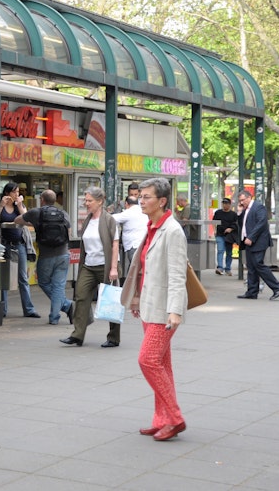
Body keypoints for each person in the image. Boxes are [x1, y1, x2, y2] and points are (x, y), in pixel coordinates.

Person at [120, 176, 188, 441]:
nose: (141, 201)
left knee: (147, 360)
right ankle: (162, 420)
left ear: (162, 201)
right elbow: (143, 270)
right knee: (162, 364)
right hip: (149, 305)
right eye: (140, 196)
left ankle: (175, 417)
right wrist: (136, 299)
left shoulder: (172, 231)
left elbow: (176, 275)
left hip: (164, 310)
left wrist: (175, 311)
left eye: (146, 197)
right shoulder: (152, 227)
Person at [60, 186, 120, 348]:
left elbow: (115, 245)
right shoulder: (87, 220)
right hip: (89, 265)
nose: (86, 203)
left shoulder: (109, 220)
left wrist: (113, 268)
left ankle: (114, 337)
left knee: (110, 301)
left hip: (105, 266)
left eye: (89, 200)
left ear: (99, 202)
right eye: (85, 200)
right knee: (80, 296)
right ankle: (77, 335)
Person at [15, 189, 74, 326]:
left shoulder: (37, 212)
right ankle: (54, 317)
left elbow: (18, 220)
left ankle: (67, 306)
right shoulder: (64, 214)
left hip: (46, 255)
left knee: (43, 282)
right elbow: (69, 233)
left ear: (42, 200)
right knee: (59, 286)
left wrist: (23, 210)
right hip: (63, 254)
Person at [0, 182, 39, 318]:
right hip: (4, 244)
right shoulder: (1, 205)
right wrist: (0, 206)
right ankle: (2, 309)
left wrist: (20, 205)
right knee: (3, 277)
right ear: (7, 193)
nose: (17, 195)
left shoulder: (18, 206)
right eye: (14, 192)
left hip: (19, 244)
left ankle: (29, 309)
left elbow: (27, 219)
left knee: (23, 277)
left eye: (18, 192)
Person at [236, 189, 279, 300]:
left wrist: (251, 237)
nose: (241, 202)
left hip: (258, 241)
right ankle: (252, 291)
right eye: (240, 201)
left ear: (249, 197)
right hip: (248, 242)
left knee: (258, 265)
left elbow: (261, 223)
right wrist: (239, 213)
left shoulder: (258, 207)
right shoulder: (245, 209)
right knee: (251, 267)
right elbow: (241, 224)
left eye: (243, 200)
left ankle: (277, 287)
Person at [113, 195, 148, 276]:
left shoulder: (129, 212)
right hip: (143, 243)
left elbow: (111, 219)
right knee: (136, 268)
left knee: (134, 269)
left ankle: (132, 287)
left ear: (126, 204)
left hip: (133, 245)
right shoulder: (143, 211)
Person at [212, 197, 238, 276]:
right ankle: (220, 267)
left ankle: (228, 268)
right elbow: (214, 221)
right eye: (223, 203)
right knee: (220, 250)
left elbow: (236, 224)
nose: (225, 205)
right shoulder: (218, 213)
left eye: (226, 204)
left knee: (229, 252)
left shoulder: (233, 214)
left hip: (229, 236)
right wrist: (215, 231)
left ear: (230, 205)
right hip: (220, 234)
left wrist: (231, 229)